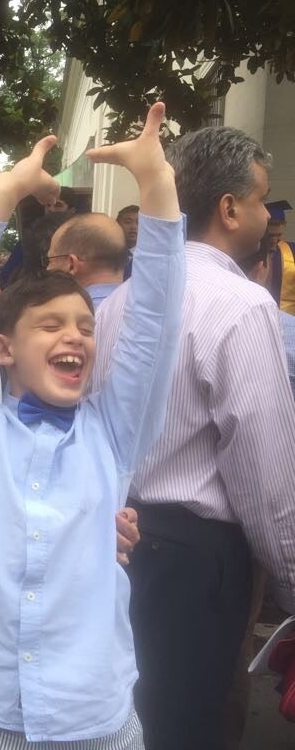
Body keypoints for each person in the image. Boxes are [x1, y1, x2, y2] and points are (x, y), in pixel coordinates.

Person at [0, 103, 183, 748]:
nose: (76, 337)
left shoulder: (114, 434)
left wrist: (158, 186)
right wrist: (6, 189)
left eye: (86, 327)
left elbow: (154, 322)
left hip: (94, 715)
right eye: (51, 324)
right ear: (3, 349)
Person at [93, 125, 295, 750]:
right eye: (262, 200)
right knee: (189, 725)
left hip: (116, 542)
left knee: (127, 720)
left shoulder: (115, 305)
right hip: (198, 563)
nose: (267, 216)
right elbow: (266, 477)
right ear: (229, 209)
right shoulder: (244, 304)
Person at [45, 212, 130, 308]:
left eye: (50, 260)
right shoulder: (143, 309)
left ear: (72, 265)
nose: (48, 269)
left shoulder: (60, 318)